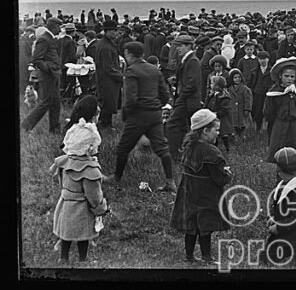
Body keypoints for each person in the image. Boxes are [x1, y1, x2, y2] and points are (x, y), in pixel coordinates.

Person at [103, 41, 176, 192]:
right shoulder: (154, 70)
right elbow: (165, 95)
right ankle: (170, 182)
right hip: (155, 114)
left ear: (128, 54)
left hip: (138, 115)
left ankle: (116, 178)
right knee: (162, 148)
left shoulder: (131, 71)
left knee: (123, 148)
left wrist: (126, 113)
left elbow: (131, 98)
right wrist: (156, 105)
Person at [49, 97, 108, 264]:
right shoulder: (89, 170)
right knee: (83, 236)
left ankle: (63, 257)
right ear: (90, 147)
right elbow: (93, 195)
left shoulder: (65, 162)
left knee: (66, 235)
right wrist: (100, 207)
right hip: (81, 209)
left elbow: (62, 182)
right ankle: (83, 259)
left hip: (66, 205)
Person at [169, 109, 232, 265]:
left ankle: (189, 256)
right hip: (206, 195)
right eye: (216, 130)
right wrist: (227, 174)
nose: (218, 133)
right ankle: (206, 257)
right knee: (205, 226)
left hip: (188, 193)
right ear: (205, 130)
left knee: (191, 225)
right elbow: (219, 179)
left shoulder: (188, 147)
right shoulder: (212, 152)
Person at [265, 147, 296, 268]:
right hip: (284, 233)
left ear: (279, 170)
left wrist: (279, 227)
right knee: (266, 256)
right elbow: (278, 204)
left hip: (294, 236)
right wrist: (273, 217)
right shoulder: (284, 184)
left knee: (276, 259)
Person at [264, 57, 296, 164]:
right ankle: (281, 168)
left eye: (292, 76)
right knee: (280, 147)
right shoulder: (274, 92)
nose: (289, 79)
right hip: (280, 124)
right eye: (286, 76)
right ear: (280, 76)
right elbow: (269, 112)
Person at [22, 17, 63, 134]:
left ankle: (55, 129)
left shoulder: (49, 38)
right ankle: (27, 125)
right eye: (59, 27)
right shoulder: (45, 39)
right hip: (48, 76)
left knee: (55, 103)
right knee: (47, 102)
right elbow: (36, 59)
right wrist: (48, 69)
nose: (60, 30)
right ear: (53, 26)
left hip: (53, 74)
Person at [166, 34, 203, 159]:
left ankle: (175, 154)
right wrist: (176, 80)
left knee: (172, 124)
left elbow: (192, 83)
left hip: (188, 100)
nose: (178, 48)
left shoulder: (192, 61)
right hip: (187, 99)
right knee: (184, 126)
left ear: (188, 46)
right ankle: (185, 152)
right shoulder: (187, 60)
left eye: (180, 45)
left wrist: (180, 98)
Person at [205, 75, 233, 153]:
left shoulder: (224, 96)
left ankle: (227, 148)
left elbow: (225, 108)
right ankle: (214, 148)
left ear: (217, 86)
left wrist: (217, 113)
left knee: (223, 134)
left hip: (222, 119)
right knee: (214, 133)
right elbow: (206, 105)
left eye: (212, 83)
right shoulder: (211, 95)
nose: (210, 85)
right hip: (213, 117)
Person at [227, 68, 253, 140]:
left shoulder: (245, 89)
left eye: (239, 77)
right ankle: (235, 136)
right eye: (235, 78)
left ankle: (243, 136)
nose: (237, 79)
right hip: (233, 110)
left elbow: (248, 100)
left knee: (243, 124)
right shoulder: (229, 89)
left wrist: (247, 109)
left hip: (242, 110)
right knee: (234, 123)